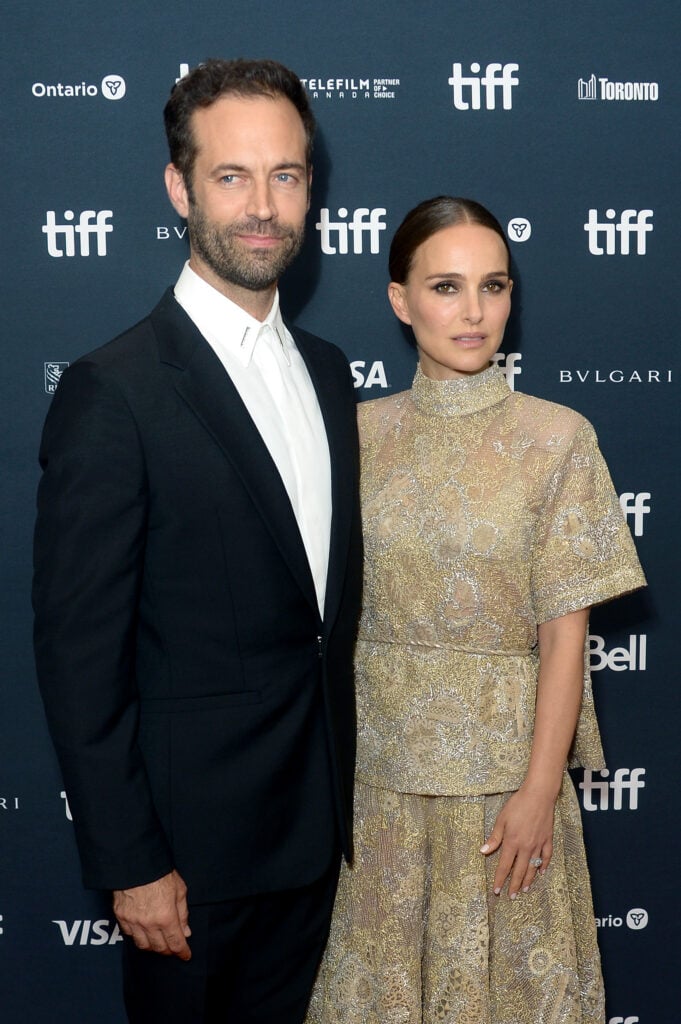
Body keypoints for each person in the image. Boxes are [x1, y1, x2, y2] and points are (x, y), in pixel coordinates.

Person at [33, 58, 362, 1024]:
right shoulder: (115, 391)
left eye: (286, 176)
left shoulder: (332, 374)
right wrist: (133, 864)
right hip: (189, 871)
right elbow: (78, 657)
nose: (263, 206)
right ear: (178, 187)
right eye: (231, 176)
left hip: (319, 843)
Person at [306, 196, 645, 1024]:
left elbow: (564, 638)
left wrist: (537, 791)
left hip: (505, 789)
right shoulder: (351, 435)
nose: (473, 311)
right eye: (445, 287)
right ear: (399, 300)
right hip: (376, 789)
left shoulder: (558, 438)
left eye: (492, 287)